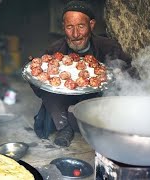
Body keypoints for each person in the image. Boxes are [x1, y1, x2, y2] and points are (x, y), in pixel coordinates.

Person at [30, 1, 137, 147]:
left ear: (91, 25)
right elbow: (40, 90)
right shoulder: (54, 51)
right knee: (48, 88)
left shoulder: (108, 47)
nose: (75, 34)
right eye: (69, 27)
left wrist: (120, 73)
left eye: (81, 26)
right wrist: (36, 77)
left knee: (114, 93)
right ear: (63, 27)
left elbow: (131, 77)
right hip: (63, 104)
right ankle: (64, 127)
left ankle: (96, 127)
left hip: (96, 103)